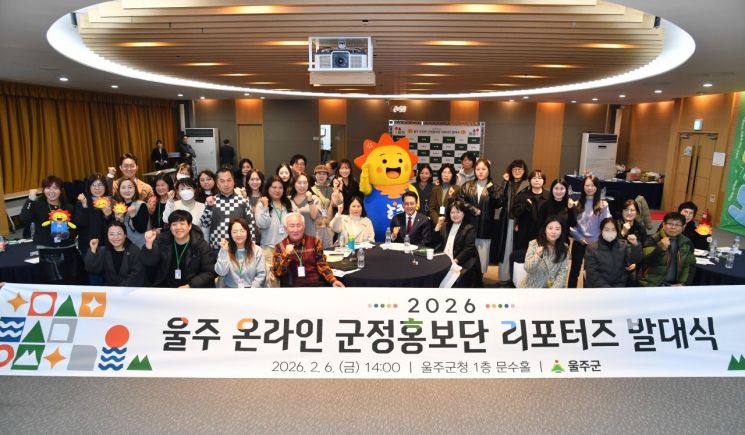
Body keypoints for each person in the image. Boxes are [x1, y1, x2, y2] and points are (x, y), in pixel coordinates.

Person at [20, 175, 84, 284]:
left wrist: (68, 234)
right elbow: (24, 219)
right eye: (48, 188)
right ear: (43, 190)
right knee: (55, 286)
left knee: (74, 283)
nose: (51, 191)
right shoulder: (37, 205)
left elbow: (76, 227)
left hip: (69, 251)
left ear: (60, 190)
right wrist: (30, 199)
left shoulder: (68, 207)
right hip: (48, 253)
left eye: (55, 188)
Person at [141, 210, 216, 288]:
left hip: (191, 289)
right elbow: (148, 263)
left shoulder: (201, 245)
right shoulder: (162, 241)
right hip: (166, 288)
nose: (178, 227)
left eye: (182, 224)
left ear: (189, 226)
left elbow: (209, 271)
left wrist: (190, 286)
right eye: (174, 224)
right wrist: (149, 243)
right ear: (170, 227)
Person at [272, 212, 345, 287]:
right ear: (285, 228)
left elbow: (322, 264)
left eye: (298, 225)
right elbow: (277, 273)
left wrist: (333, 280)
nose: (295, 229)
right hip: (293, 287)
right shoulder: (280, 246)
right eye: (292, 226)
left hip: (315, 284)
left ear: (304, 226)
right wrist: (286, 254)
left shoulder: (314, 242)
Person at [458, 158, 500, 274]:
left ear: (488, 170)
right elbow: (459, 201)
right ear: (475, 170)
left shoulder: (495, 187)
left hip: (485, 227)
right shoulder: (467, 185)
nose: (480, 172)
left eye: (483, 169)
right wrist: (472, 209)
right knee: (467, 254)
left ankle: (480, 278)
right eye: (478, 169)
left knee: (482, 258)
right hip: (468, 226)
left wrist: (491, 190)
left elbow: (499, 203)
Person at [568, 175, 611, 288]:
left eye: (592, 185)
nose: (590, 188)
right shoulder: (577, 203)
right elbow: (571, 225)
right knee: (574, 271)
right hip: (579, 242)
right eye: (587, 185)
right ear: (583, 187)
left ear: (597, 187)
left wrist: (604, 209)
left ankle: (588, 295)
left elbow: (607, 225)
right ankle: (570, 294)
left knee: (591, 273)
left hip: (596, 244)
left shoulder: (602, 204)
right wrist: (579, 238)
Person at [201, 168, 257, 251]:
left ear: (234, 182)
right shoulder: (211, 201)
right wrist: (209, 207)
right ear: (217, 183)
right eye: (222, 181)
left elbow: (251, 224)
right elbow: (205, 223)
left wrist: (252, 245)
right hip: (217, 248)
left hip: (239, 248)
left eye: (229, 180)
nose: (226, 184)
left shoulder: (244, 200)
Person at [431, 200, 482, 287]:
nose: (455, 215)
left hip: (459, 261)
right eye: (452, 212)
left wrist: (454, 261)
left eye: (458, 212)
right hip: (444, 259)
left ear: (464, 213)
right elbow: (435, 242)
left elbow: (468, 249)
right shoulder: (445, 226)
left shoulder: (469, 228)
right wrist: (438, 226)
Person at [494, 159, 529, 284]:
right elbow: (498, 200)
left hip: (520, 223)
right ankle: (504, 277)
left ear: (524, 171)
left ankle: (517, 280)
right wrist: (504, 182)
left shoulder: (528, 185)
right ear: (511, 170)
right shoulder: (507, 183)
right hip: (506, 221)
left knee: (518, 251)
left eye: (520, 169)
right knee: (505, 250)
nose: (517, 171)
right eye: (515, 169)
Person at [639, 212, 696, 287]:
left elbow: (690, 265)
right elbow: (646, 262)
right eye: (670, 224)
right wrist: (660, 249)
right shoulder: (653, 240)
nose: (673, 227)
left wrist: (684, 284)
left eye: (677, 225)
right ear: (663, 224)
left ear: (683, 227)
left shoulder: (686, 243)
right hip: (653, 284)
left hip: (676, 286)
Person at [255, 175, 293, 287]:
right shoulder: (261, 205)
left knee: (287, 281)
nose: (277, 190)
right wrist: (266, 207)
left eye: (280, 187)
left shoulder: (288, 204)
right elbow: (262, 224)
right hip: (269, 250)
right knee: (272, 284)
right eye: (274, 187)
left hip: (286, 249)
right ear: (268, 188)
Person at [583, 218, 642, 288]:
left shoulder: (623, 245)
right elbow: (592, 273)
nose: (610, 232)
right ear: (601, 231)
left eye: (613, 230)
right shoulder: (592, 248)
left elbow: (634, 260)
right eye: (607, 230)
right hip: (599, 288)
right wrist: (608, 289)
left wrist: (635, 245)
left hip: (619, 286)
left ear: (617, 231)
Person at [84, 221, 145, 287]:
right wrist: (93, 249)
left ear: (125, 235)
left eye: (119, 234)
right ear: (107, 236)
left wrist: (120, 289)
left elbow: (137, 275)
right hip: (111, 290)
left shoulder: (134, 251)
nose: (115, 237)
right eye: (111, 234)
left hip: (130, 289)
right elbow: (91, 269)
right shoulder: (104, 251)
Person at [520, 216, 569, 288]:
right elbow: (528, 268)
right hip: (533, 287)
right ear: (545, 230)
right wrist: (537, 256)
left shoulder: (564, 248)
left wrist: (552, 291)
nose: (553, 232)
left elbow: (563, 273)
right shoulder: (534, 244)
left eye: (557, 229)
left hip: (553, 289)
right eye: (550, 228)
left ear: (561, 231)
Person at [215, 218, 266, 288]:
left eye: (242, 231)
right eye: (235, 232)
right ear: (230, 234)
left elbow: (261, 275)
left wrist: (251, 291)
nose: (239, 234)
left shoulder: (257, 250)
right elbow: (221, 272)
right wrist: (224, 251)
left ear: (247, 232)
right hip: (230, 289)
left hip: (251, 289)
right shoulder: (225, 249)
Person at [74, 173, 114, 261]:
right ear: (89, 187)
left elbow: (116, 225)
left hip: (109, 246)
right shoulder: (83, 201)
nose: (97, 188)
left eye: (100, 185)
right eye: (93, 185)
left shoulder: (110, 201)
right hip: (88, 247)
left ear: (105, 186)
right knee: (92, 269)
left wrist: (108, 216)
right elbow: (80, 224)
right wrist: (85, 206)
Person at [511, 169, 550, 251]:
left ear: (544, 181)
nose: (537, 180)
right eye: (534, 178)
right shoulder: (522, 195)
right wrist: (525, 206)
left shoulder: (549, 196)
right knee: (522, 255)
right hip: (524, 233)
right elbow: (515, 212)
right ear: (530, 180)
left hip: (542, 233)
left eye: (539, 178)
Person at [289, 172, 320, 236]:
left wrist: (310, 200)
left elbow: (314, 217)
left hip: (309, 237)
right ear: (294, 184)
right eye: (299, 183)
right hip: (291, 238)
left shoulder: (314, 198)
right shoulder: (288, 200)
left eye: (305, 183)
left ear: (308, 184)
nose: (302, 185)